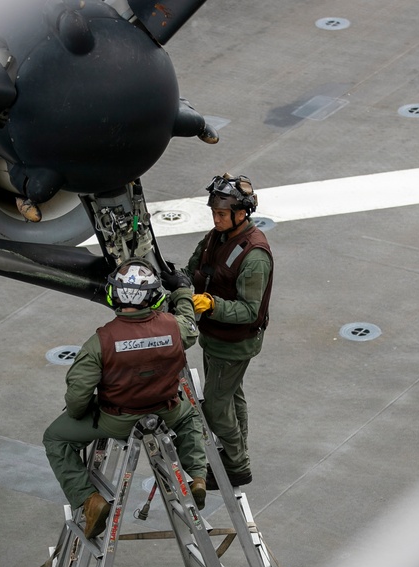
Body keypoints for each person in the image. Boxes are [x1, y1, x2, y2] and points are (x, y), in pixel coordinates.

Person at [43, 259, 209, 538]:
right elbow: (190, 325)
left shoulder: (102, 341)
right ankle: (198, 478)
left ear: (114, 295)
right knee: (190, 415)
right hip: (166, 410)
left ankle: (89, 499)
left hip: (118, 420)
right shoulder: (173, 328)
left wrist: (83, 411)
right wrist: (181, 290)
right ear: (154, 296)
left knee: (55, 438)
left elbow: (77, 395)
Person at [184, 173, 273, 489]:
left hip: (234, 343)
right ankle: (236, 454)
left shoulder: (254, 255)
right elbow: (191, 272)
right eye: (214, 213)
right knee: (231, 396)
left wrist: (210, 304)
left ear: (241, 213)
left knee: (215, 406)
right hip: (215, 337)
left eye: (221, 214)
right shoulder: (214, 238)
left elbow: (249, 310)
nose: (216, 219)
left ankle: (236, 465)